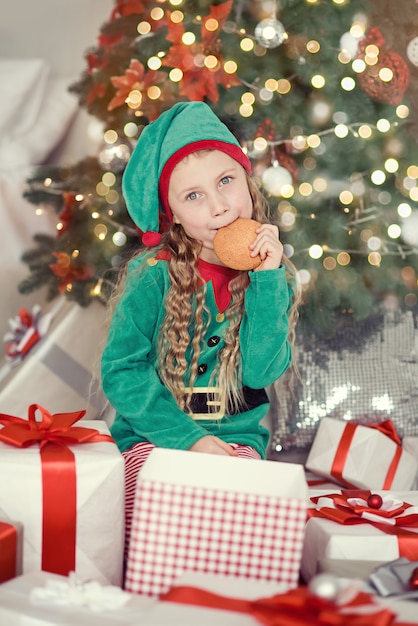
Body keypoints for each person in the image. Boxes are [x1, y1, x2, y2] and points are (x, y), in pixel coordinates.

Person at [100, 101, 301, 556]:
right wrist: (188, 441)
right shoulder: (153, 275)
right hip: (153, 436)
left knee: (241, 508)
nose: (219, 207)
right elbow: (122, 371)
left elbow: (258, 373)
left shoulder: (272, 275)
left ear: (247, 182)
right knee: (159, 503)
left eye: (225, 181)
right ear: (170, 213)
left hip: (235, 437)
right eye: (193, 196)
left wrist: (268, 281)